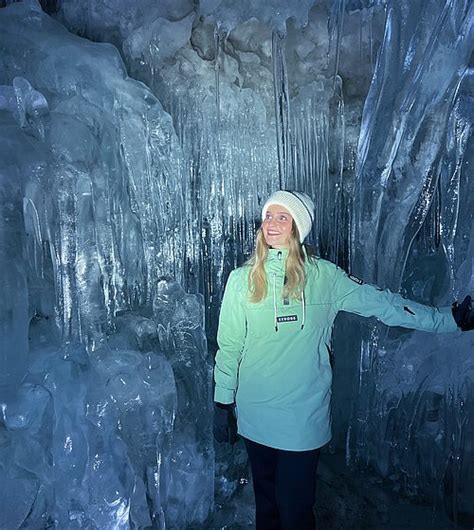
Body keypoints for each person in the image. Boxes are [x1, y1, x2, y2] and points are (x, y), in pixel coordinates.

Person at [213, 190, 473, 530]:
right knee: (268, 508)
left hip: (301, 420)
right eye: (268, 216)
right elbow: (230, 346)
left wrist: (448, 318)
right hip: (254, 415)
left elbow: (385, 305)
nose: (271, 224)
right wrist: (222, 402)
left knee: (295, 511)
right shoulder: (242, 279)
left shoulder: (325, 278)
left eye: (282, 217)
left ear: (298, 228)